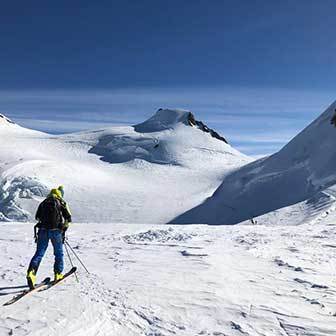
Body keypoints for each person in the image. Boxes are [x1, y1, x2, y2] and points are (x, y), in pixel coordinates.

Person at [26, 185, 72, 289]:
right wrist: (63, 229)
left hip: (42, 231)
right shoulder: (61, 202)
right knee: (58, 254)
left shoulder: (44, 203)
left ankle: (31, 274)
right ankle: (58, 274)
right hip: (56, 232)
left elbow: (37, 217)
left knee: (39, 254)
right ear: (60, 194)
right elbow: (68, 218)